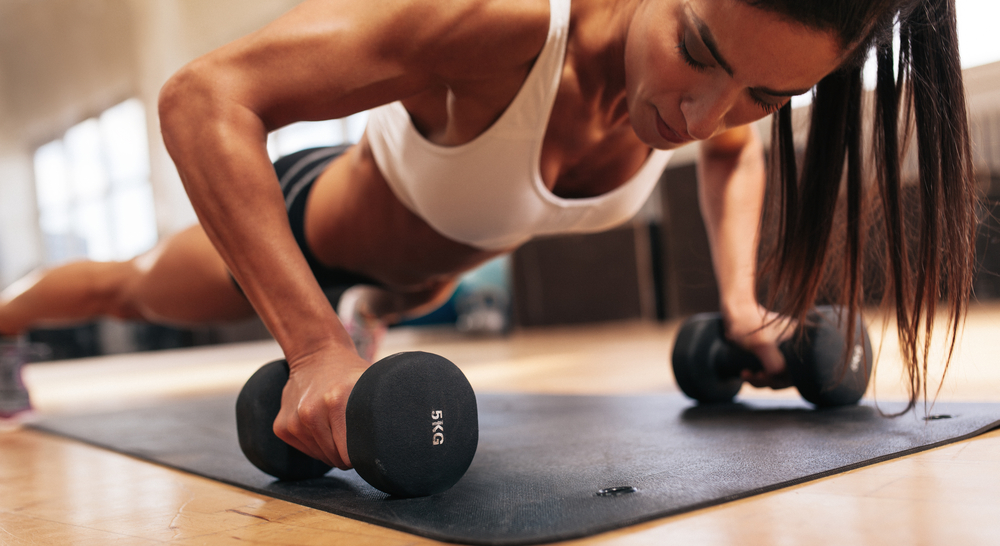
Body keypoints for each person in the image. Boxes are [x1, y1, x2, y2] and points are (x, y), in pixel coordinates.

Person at [0, 0, 977, 466]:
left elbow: (731, 155)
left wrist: (736, 305)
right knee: (128, 290)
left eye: (765, 94)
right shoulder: (500, 28)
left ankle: (364, 322)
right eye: (695, 53)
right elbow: (204, 93)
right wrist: (310, 348)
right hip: (317, 233)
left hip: (399, 291)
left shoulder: (712, 106)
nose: (700, 116)